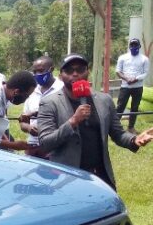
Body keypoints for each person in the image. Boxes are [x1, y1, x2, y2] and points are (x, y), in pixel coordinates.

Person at [38, 54, 152, 189]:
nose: (75, 74)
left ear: (88, 72)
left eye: (80, 69)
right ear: (60, 75)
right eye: (69, 70)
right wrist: (73, 121)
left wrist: (134, 139)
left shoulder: (104, 100)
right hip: (67, 177)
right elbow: (45, 143)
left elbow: (118, 134)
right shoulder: (50, 103)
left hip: (100, 175)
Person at [19, 55, 63, 158]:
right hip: (33, 148)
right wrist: (29, 128)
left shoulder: (62, 89)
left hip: (55, 148)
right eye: (35, 72)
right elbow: (23, 122)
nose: (37, 74)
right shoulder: (32, 90)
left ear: (51, 69)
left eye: (41, 71)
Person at [115, 37, 149, 132]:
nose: (134, 47)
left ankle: (131, 127)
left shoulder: (144, 59)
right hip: (125, 86)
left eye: (136, 45)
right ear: (129, 46)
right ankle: (115, 127)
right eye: (132, 45)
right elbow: (118, 71)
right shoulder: (123, 57)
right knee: (120, 106)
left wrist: (136, 79)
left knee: (135, 107)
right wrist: (126, 78)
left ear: (139, 46)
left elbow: (145, 73)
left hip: (137, 87)